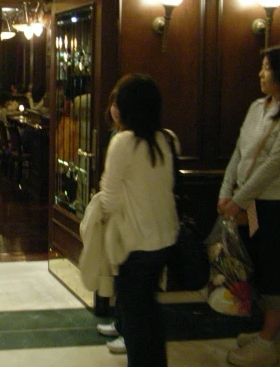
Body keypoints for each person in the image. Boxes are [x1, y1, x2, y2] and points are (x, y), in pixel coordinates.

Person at [217, 45, 280, 367]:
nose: (260, 73)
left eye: (267, 68)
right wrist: (225, 191)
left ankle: (268, 340)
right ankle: (273, 332)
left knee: (274, 269)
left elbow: (272, 167)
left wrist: (237, 200)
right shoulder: (258, 106)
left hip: (278, 207)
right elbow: (239, 153)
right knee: (254, 265)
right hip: (250, 204)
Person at [97, 74, 179, 367]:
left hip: (135, 243)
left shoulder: (123, 143)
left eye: (118, 101)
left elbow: (108, 198)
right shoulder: (167, 139)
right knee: (149, 310)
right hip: (165, 239)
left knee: (134, 317)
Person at [95, 84, 127, 355]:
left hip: (132, 221)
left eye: (120, 104)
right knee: (120, 274)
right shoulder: (117, 135)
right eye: (112, 103)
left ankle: (131, 334)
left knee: (131, 281)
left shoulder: (132, 140)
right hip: (119, 217)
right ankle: (121, 323)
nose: (114, 109)